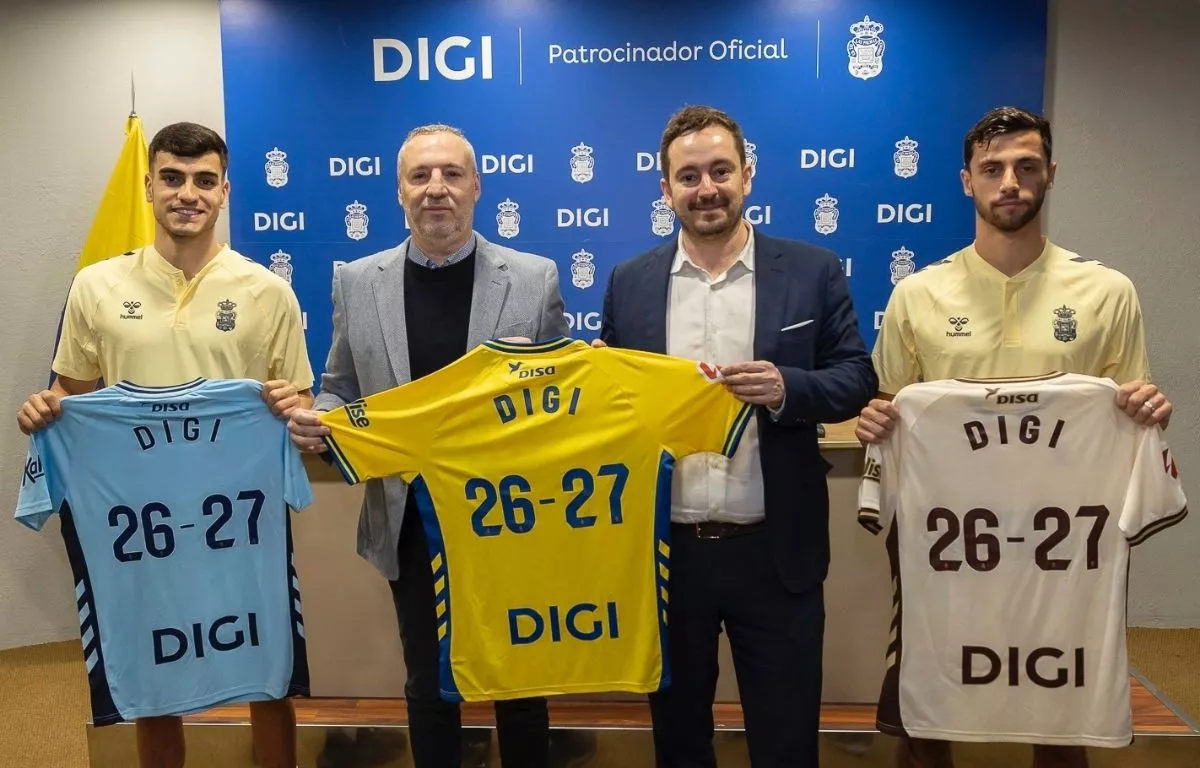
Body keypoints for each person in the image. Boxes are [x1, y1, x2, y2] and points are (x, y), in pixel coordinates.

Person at [855, 106, 1173, 768]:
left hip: (1062, 535)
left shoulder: (1108, 291)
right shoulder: (917, 294)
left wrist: (1146, 408)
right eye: (993, 169)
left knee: (1059, 697)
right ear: (966, 180)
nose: (1010, 183)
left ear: (1050, 176)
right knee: (929, 697)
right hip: (947, 532)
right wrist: (874, 422)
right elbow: (887, 407)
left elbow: (1128, 408)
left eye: (1027, 167)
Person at [15, 122, 313, 768]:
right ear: (149, 186)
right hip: (142, 524)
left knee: (269, 674)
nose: (188, 193)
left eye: (204, 180)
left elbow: (302, 407)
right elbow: (73, 396)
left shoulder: (270, 293)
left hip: (241, 521)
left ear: (225, 191)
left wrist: (296, 409)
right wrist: (47, 408)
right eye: (172, 178)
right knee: (155, 686)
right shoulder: (96, 287)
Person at [597, 105, 877, 768]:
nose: (707, 187)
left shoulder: (811, 270)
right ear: (664, 190)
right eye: (688, 176)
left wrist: (787, 389)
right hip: (667, 557)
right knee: (680, 742)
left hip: (775, 553)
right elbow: (616, 409)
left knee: (785, 743)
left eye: (720, 170)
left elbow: (856, 377)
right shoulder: (629, 283)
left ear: (748, 176)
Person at [286, 124, 567, 768]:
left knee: (519, 681)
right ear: (400, 193)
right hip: (410, 519)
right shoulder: (357, 281)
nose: (436, 189)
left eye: (450, 175)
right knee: (428, 684)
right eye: (420, 176)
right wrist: (319, 420)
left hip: (510, 517)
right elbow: (339, 387)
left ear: (476, 188)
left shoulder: (533, 278)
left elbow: (558, 396)